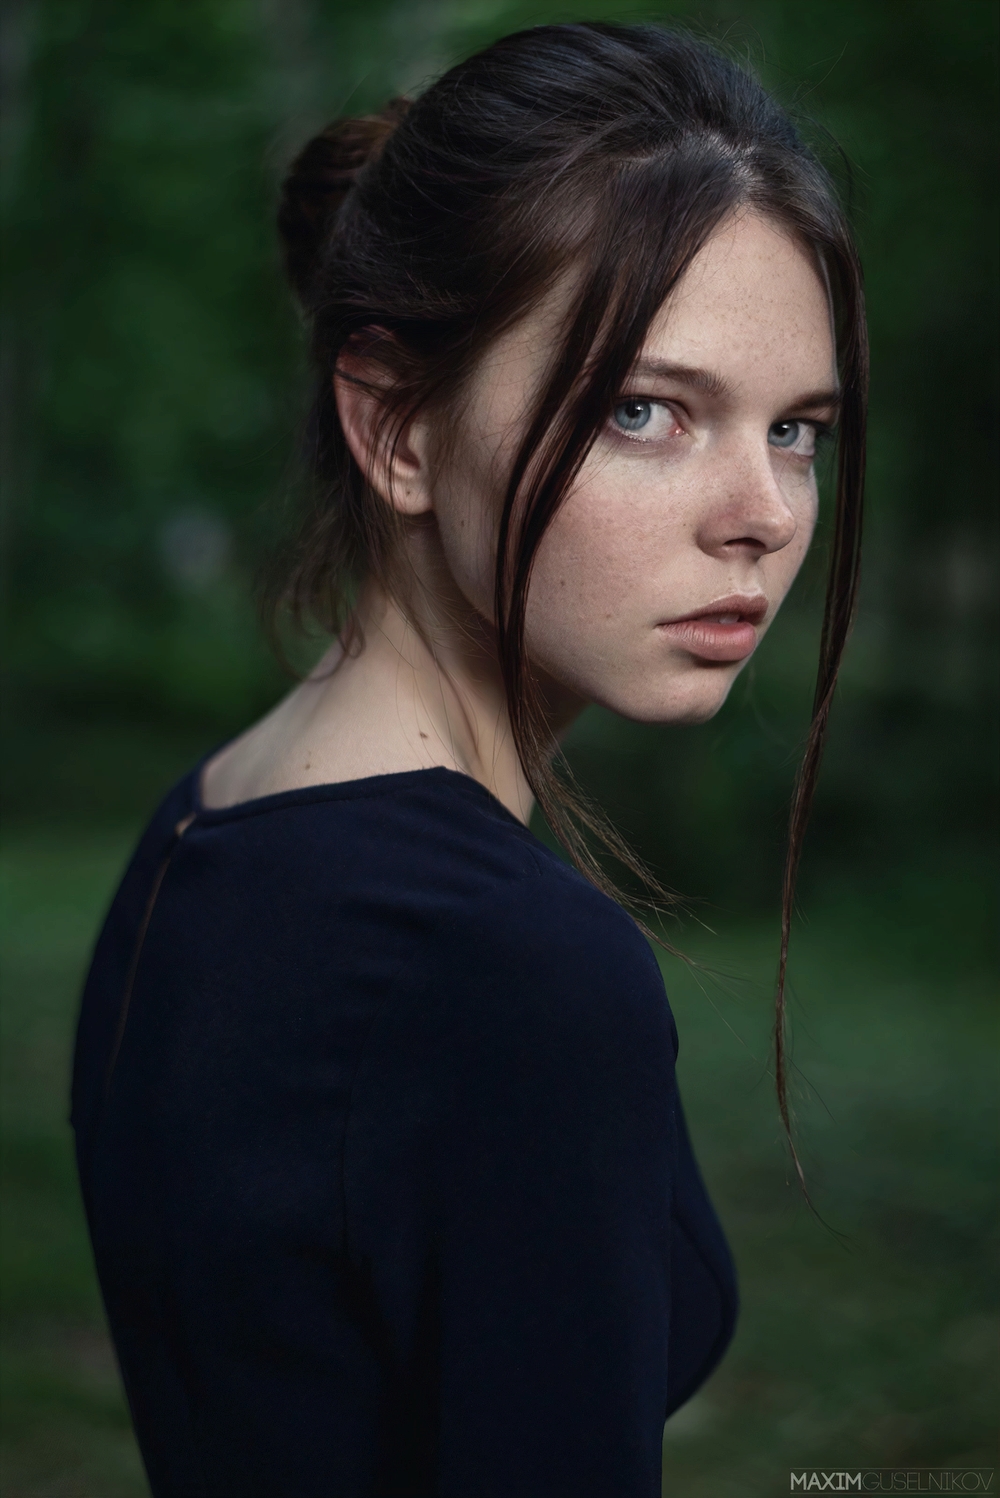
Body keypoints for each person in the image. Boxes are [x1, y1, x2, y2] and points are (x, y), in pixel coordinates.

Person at [71, 21, 866, 1498]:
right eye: (649, 410)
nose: (762, 512)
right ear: (396, 428)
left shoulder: (202, 826)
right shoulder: (511, 970)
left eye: (800, 430)